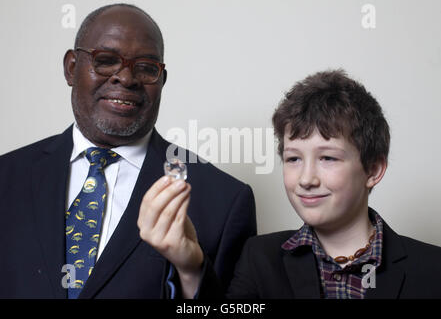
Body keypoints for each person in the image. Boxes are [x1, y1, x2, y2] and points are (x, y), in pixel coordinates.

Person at [0, 3, 256, 298]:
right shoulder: (8, 178)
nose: (126, 78)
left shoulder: (223, 201)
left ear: (161, 80)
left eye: (146, 68)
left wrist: (191, 271)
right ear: (71, 68)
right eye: (106, 60)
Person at [147, 69, 441, 299]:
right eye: (293, 159)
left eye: (328, 158)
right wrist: (189, 268)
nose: (306, 179)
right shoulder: (259, 258)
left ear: (373, 170)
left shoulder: (431, 268)